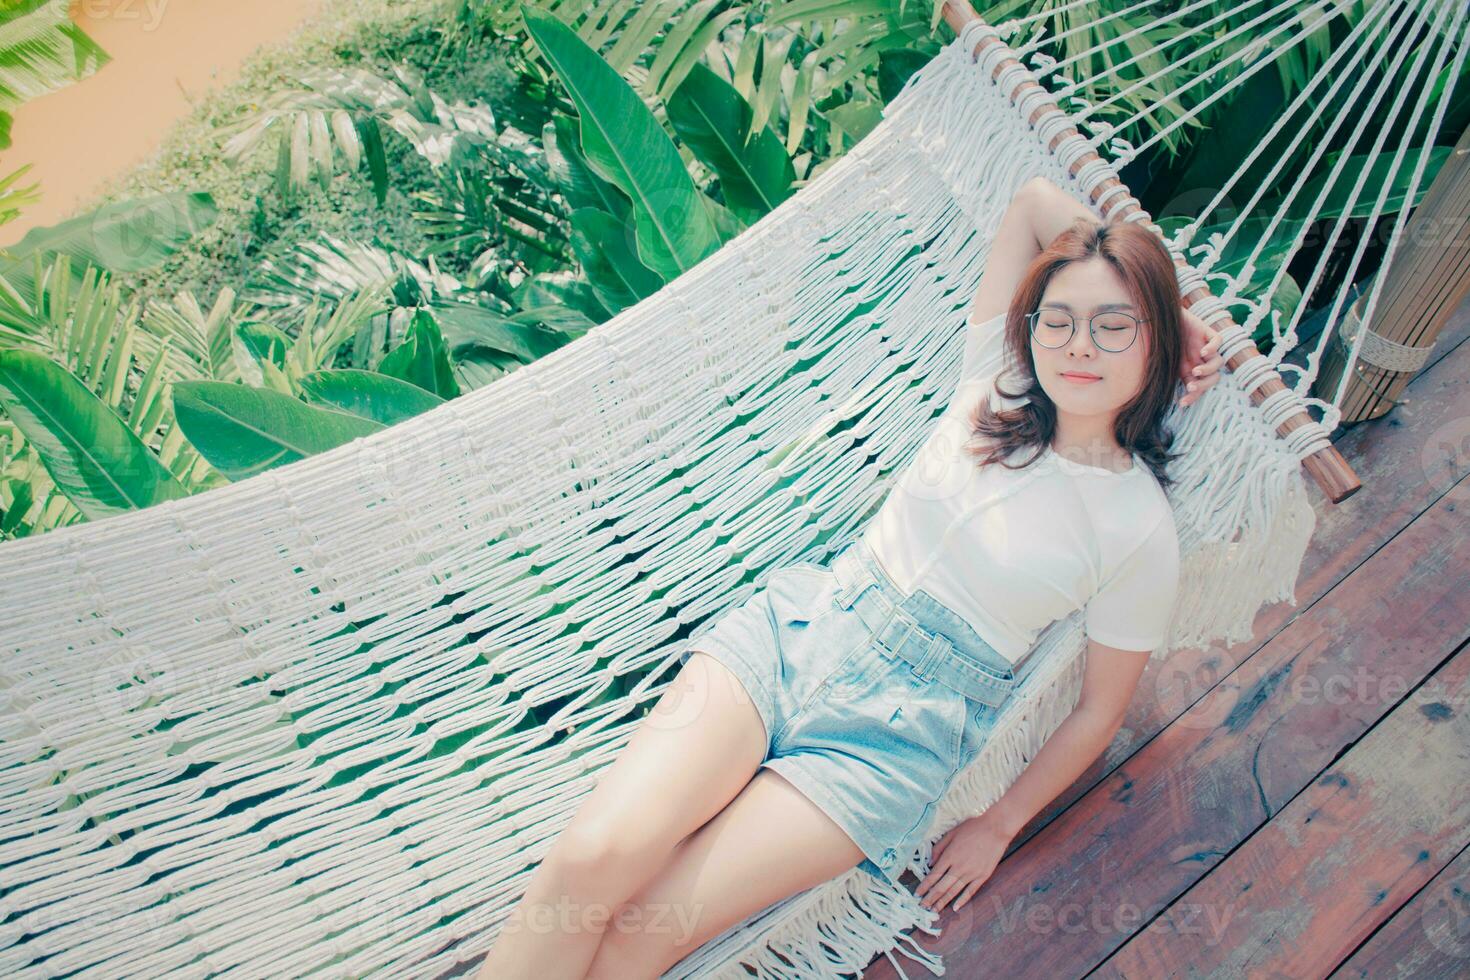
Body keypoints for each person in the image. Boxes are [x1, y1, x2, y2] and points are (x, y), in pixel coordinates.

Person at [475, 175, 1226, 980]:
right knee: (590, 864)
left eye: (1114, 328)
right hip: (801, 632)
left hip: (889, 743)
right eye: (1062, 321)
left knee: (647, 929)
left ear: (1150, 352)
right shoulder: (995, 380)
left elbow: (1096, 712)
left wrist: (998, 824)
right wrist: (1167, 305)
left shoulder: (1139, 526)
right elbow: (1034, 202)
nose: (1080, 346)